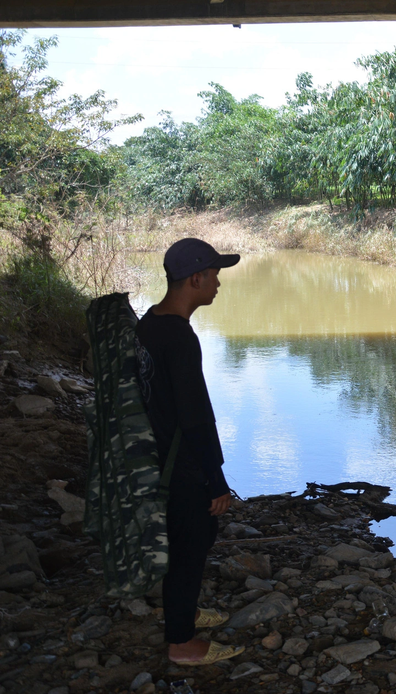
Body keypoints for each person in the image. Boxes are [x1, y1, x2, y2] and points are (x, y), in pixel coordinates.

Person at [134, 238, 244, 665]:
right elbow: (196, 416)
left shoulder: (149, 323)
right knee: (191, 546)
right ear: (196, 278)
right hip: (179, 466)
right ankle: (181, 644)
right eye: (215, 275)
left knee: (185, 540)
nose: (218, 284)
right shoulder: (180, 339)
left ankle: (185, 611)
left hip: (154, 459)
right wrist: (215, 480)